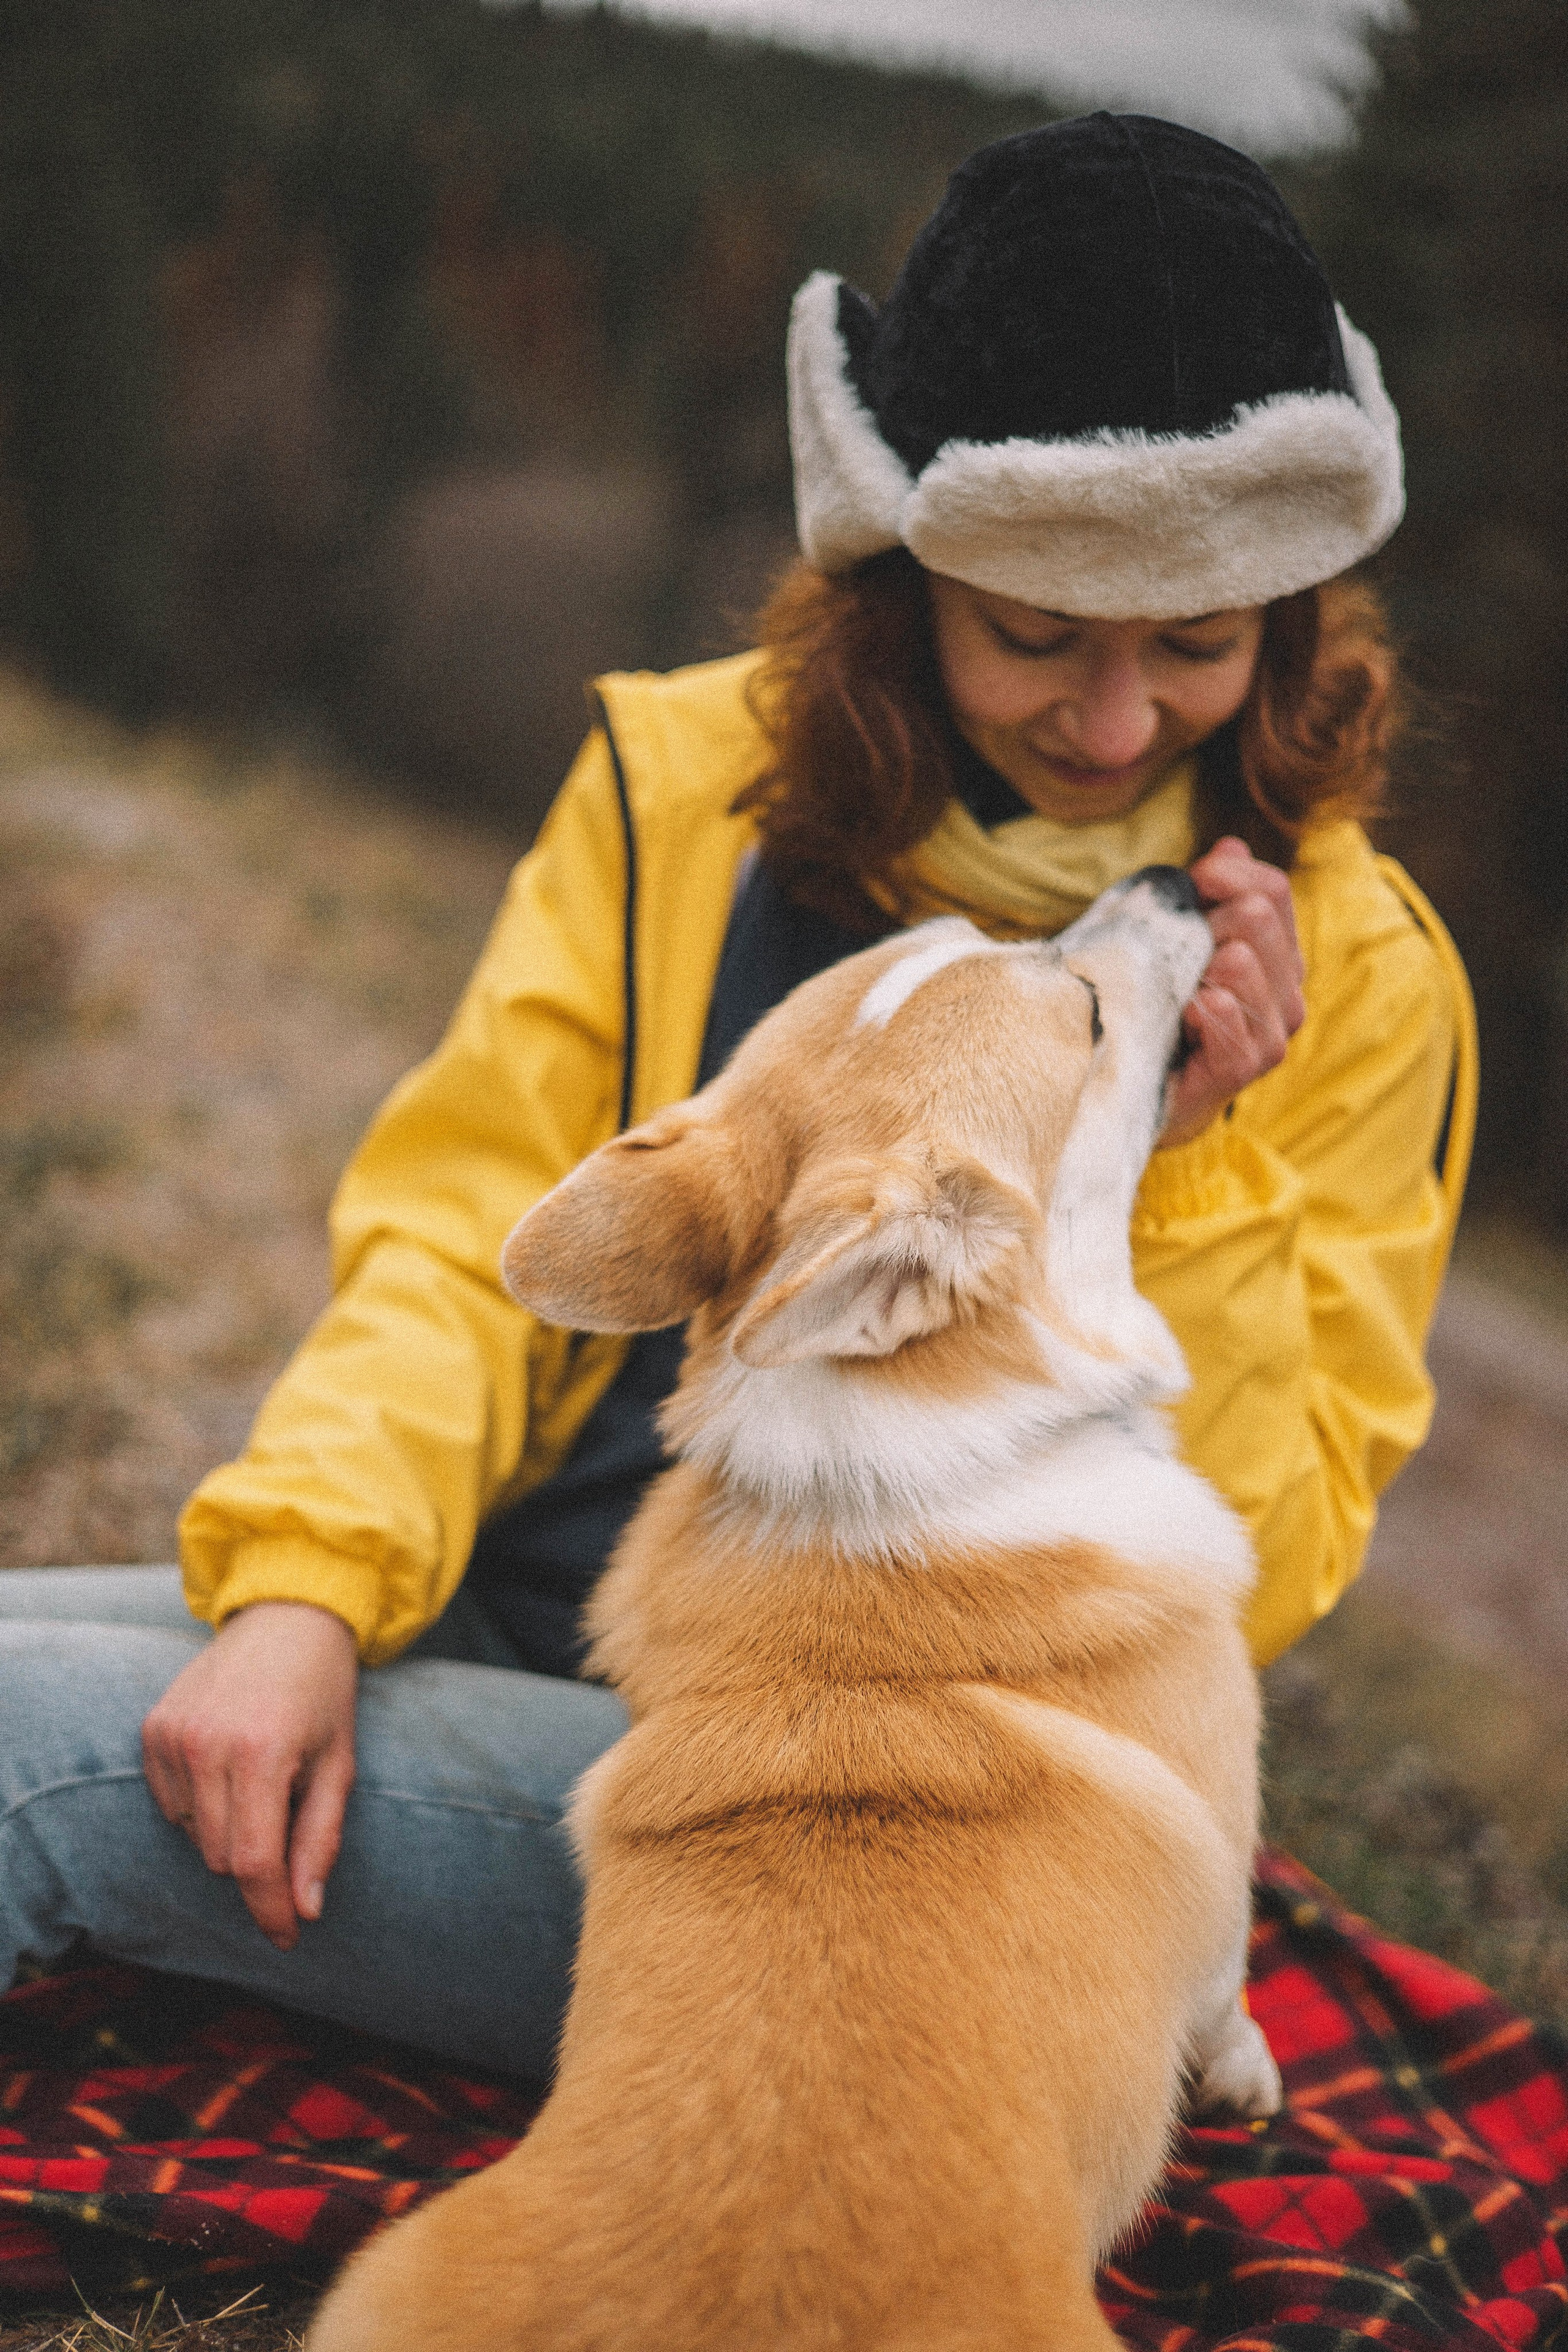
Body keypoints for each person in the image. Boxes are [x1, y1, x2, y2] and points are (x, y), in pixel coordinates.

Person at [0, 115, 1475, 2079]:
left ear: (1286, 618)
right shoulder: (681, 788)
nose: (1115, 728)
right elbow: (470, 1244)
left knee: (25, 1764)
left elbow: (1243, 1591)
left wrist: (1172, 1159)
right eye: (1035, 634)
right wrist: (309, 1587)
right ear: (901, 577)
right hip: (544, 1611)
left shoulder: (1360, 978)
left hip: (875, 1797)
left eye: (1197, 645)